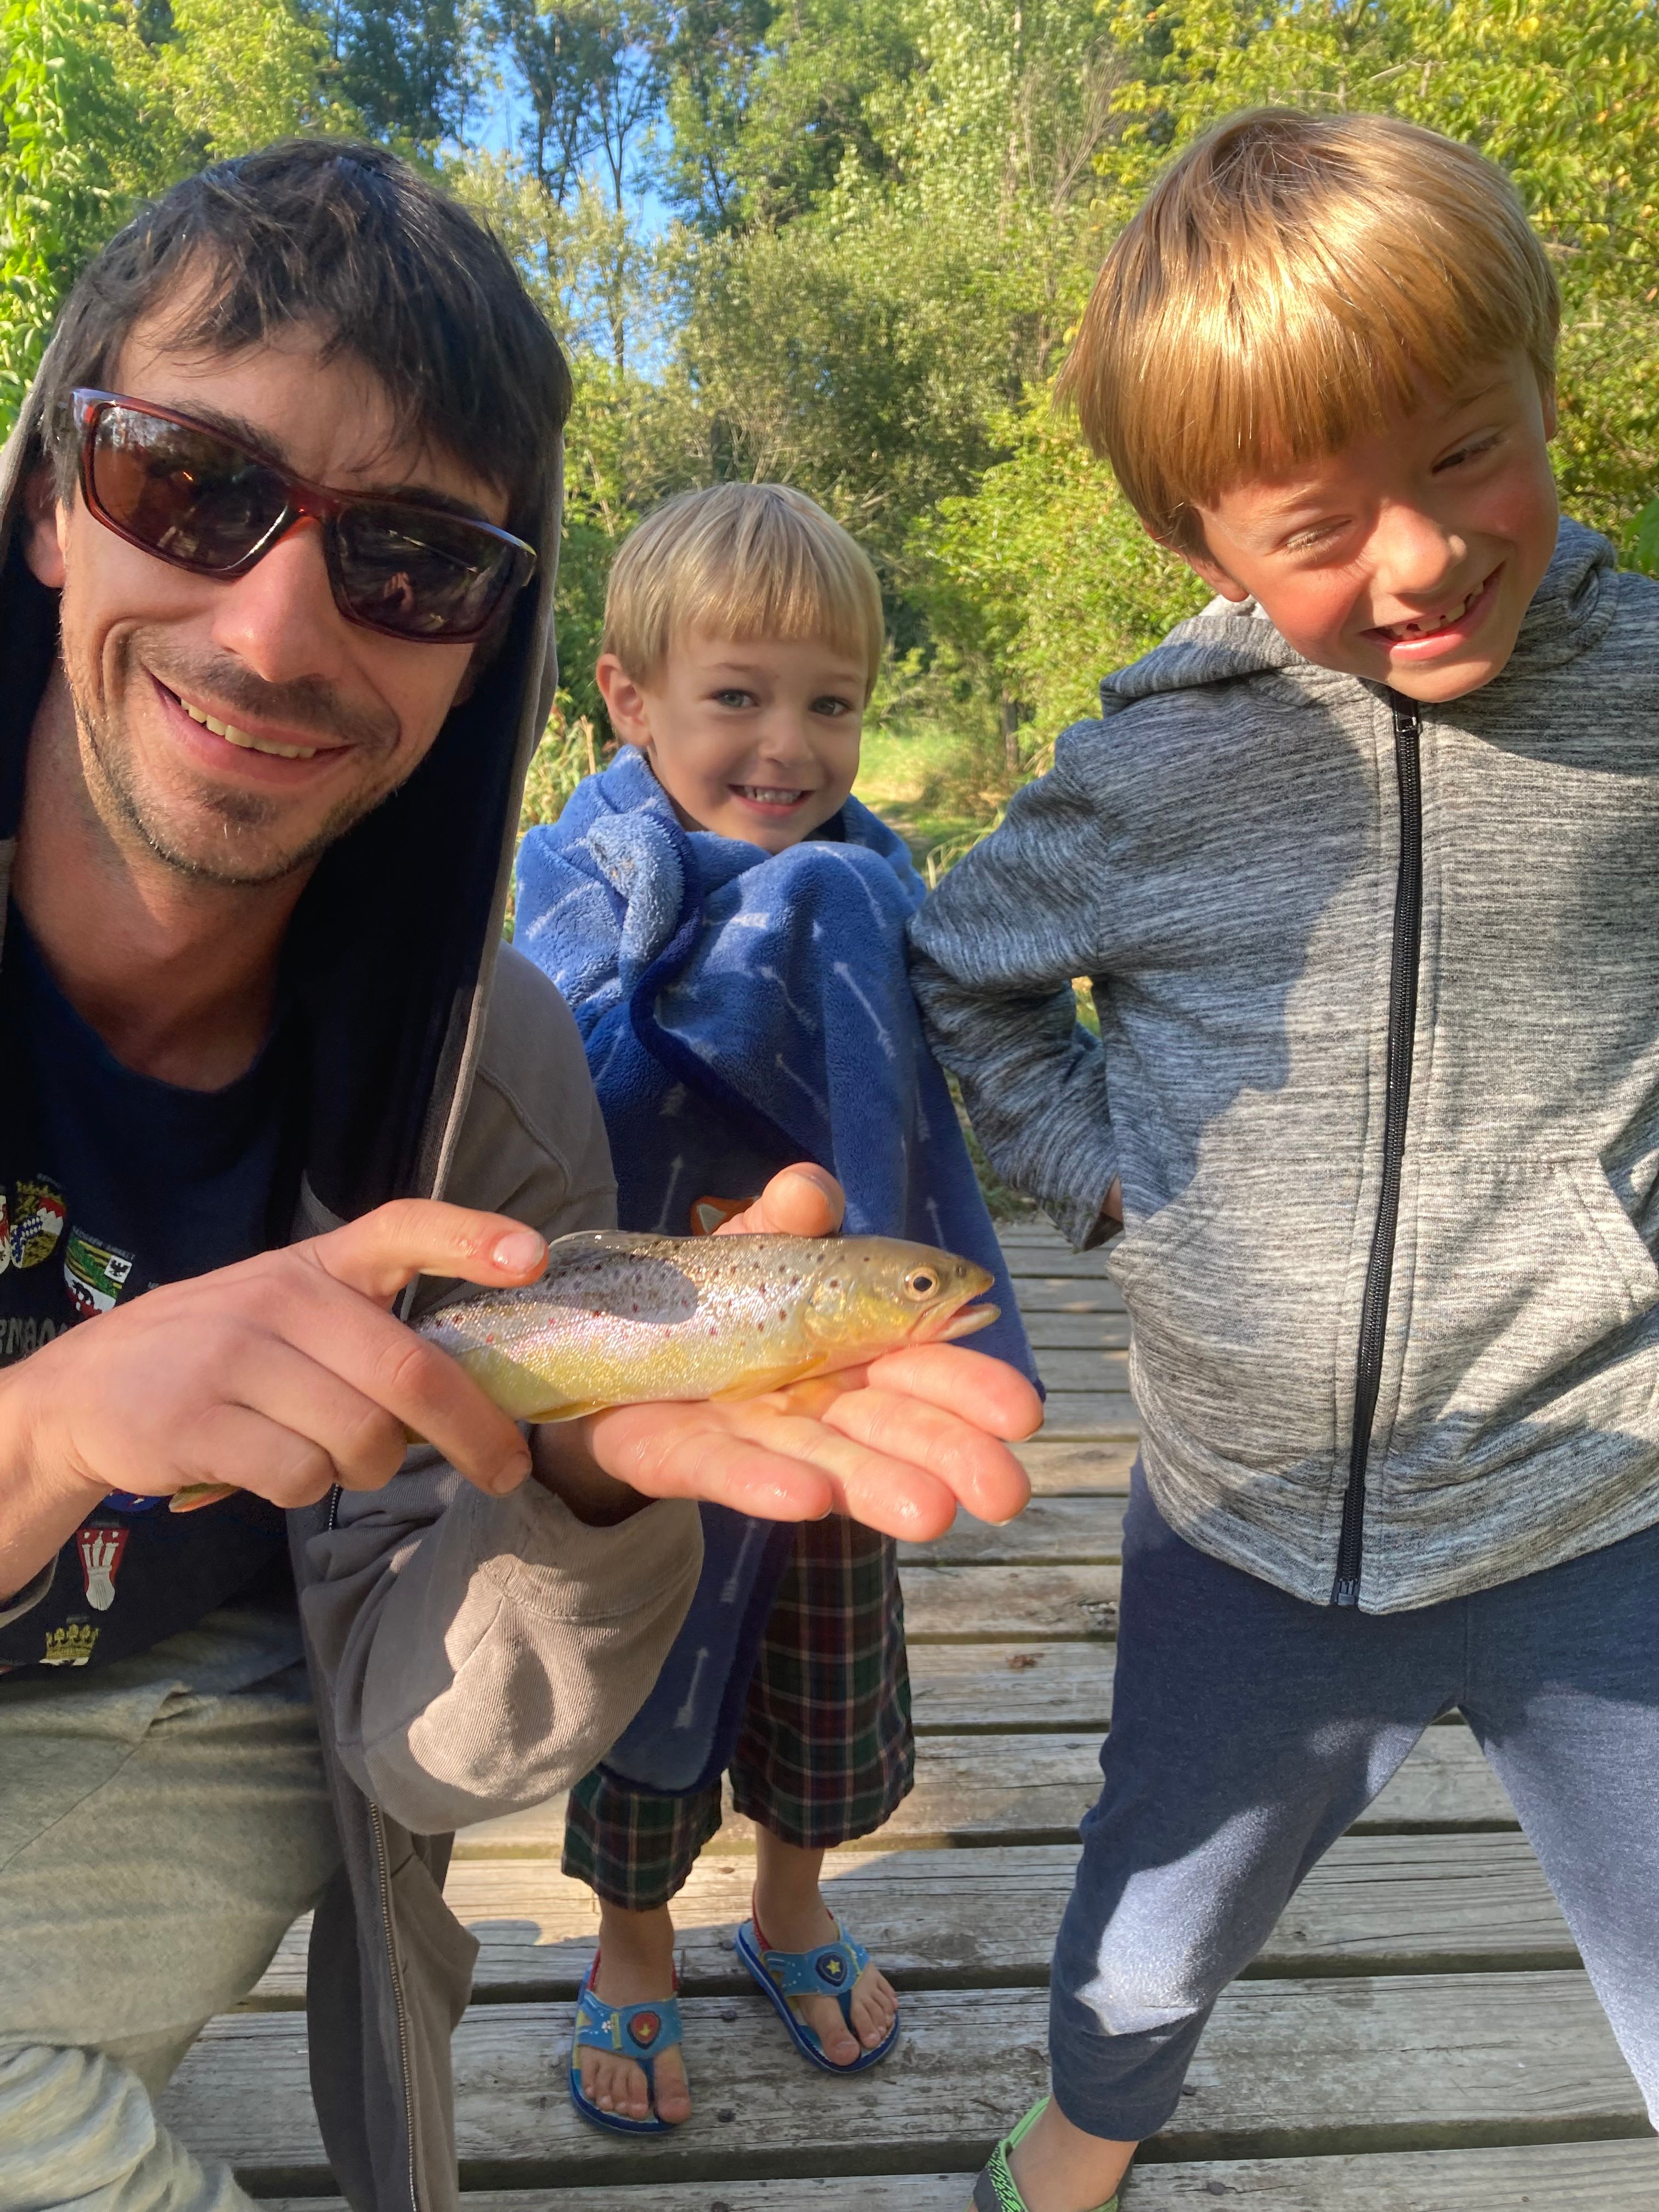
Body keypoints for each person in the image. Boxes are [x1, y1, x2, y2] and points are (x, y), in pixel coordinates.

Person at [0, 144, 1041, 2212]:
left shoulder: (495, 1073)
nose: (281, 621)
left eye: (413, 562)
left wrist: (578, 1498)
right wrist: (45, 1431)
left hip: (185, 1713)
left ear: (489, 640)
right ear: (49, 493)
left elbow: (423, 1751)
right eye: (190, 486)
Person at [906, 109, 1659, 2212]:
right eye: (1321, 523)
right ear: (1202, 542)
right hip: (1243, 1526)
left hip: (1599, 1496)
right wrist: (1118, 1176)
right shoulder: (1155, 767)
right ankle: (1081, 2142)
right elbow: (965, 975)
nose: (1418, 556)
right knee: (1148, 1935)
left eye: (1462, 452)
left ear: (1544, 393)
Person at [514, 480, 1041, 2132]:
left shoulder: (881, 892)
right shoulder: (566, 880)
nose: (788, 745)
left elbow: (970, 1072)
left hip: (839, 1368)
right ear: (628, 694)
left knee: (834, 1667)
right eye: (737, 695)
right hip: (652, 1380)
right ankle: (633, 1940)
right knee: (650, 1670)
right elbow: (529, 1091)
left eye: (833, 705)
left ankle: (795, 1900)